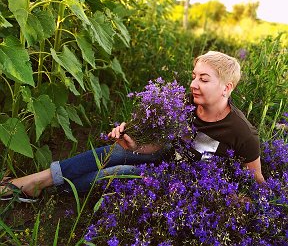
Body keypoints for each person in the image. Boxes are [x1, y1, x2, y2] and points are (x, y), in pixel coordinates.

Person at [0, 51, 264, 202]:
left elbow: (257, 183)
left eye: (203, 79)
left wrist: (235, 201)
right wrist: (135, 145)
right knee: (111, 153)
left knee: (117, 171)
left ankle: (48, 188)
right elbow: (161, 144)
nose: (194, 84)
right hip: (165, 155)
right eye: (193, 76)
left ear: (227, 88)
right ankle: (35, 182)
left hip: (181, 179)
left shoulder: (242, 133)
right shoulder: (185, 103)